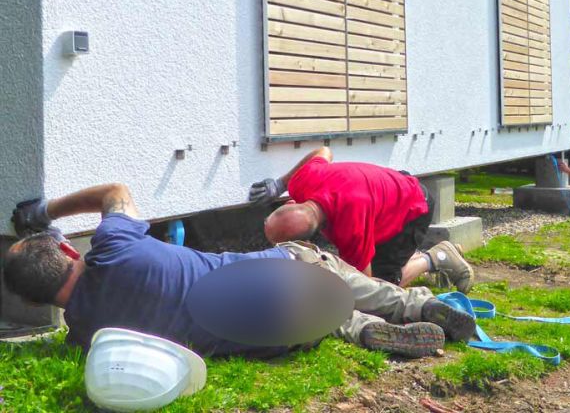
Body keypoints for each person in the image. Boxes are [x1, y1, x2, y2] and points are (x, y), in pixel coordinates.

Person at [4, 183, 476, 359]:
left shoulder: (88, 336)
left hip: (272, 334)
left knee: (322, 317)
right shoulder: (111, 245)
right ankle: (419, 304)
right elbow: (115, 191)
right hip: (281, 271)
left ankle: (364, 330)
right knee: (330, 272)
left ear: (32, 303)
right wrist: (49, 209)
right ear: (68, 251)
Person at [249, 147, 474, 292]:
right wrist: (279, 184)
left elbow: (366, 286)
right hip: (388, 190)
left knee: (381, 285)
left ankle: (436, 256)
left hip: (412, 207)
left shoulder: (351, 226)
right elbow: (323, 151)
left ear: (307, 242)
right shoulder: (301, 182)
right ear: (291, 203)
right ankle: (408, 256)